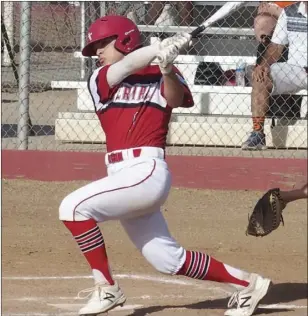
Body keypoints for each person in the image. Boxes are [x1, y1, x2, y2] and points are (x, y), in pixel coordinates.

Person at [59, 15, 271, 316]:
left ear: (125, 40)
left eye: (103, 43)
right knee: (166, 259)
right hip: (120, 175)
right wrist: (158, 48)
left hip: (146, 170)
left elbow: (173, 97)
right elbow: (124, 67)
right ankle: (247, 284)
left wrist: (167, 67)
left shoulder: (161, 71)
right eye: (94, 47)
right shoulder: (100, 78)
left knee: (72, 208)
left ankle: (107, 288)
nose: (97, 52)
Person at [242, 1, 307, 150]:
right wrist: (263, 66)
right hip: (294, 69)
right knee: (261, 76)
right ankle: (257, 134)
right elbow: (276, 47)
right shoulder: (289, 12)